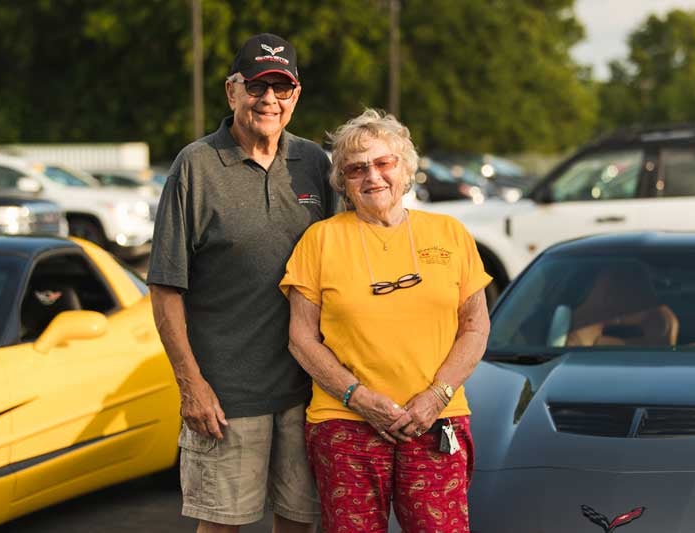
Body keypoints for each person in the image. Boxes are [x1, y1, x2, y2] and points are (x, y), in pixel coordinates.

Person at [147, 33, 334, 533]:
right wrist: (191, 386)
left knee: (299, 521)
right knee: (222, 527)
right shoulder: (196, 166)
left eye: (281, 86)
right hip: (226, 400)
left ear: (295, 97)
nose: (268, 99)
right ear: (232, 92)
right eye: (256, 86)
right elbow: (166, 290)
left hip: (307, 393)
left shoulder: (315, 163)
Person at [280, 109, 491, 532]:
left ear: (405, 167)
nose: (371, 176)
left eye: (383, 163)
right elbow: (301, 338)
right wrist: (357, 397)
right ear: (343, 180)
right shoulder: (320, 240)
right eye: (356, 169)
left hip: (436, 421)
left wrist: (435, 397)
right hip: (346, 425)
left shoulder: (450, 233)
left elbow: (476, 326)